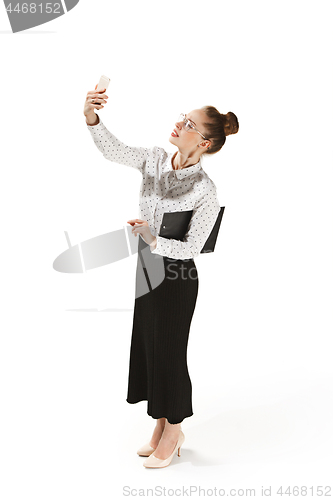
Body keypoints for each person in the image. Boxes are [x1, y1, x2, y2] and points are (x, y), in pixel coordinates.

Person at [83, 84, 239, 468]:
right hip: (148, 267)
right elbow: (113, 150)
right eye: (182, 117)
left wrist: (153, 238)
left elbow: (191, 248)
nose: (177, 124)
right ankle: (161, 422)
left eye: (187, 123)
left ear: (203, 142)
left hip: (177, 276)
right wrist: (92, 116)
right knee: (149, 349)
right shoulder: (154, 159)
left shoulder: (205, 190)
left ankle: (175, 430)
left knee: (170, 352)